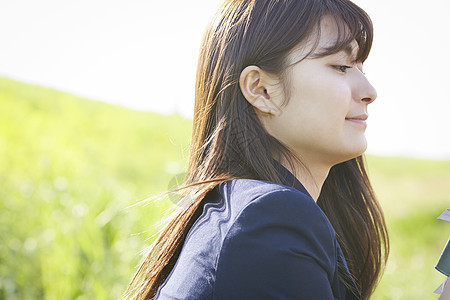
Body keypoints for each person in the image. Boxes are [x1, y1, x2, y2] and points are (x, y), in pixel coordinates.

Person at [124, 0, 389, 299]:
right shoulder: (269, 219)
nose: (369, 92)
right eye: (341, 66)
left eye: (361, 68)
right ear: (261, 89)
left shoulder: (239, 212)